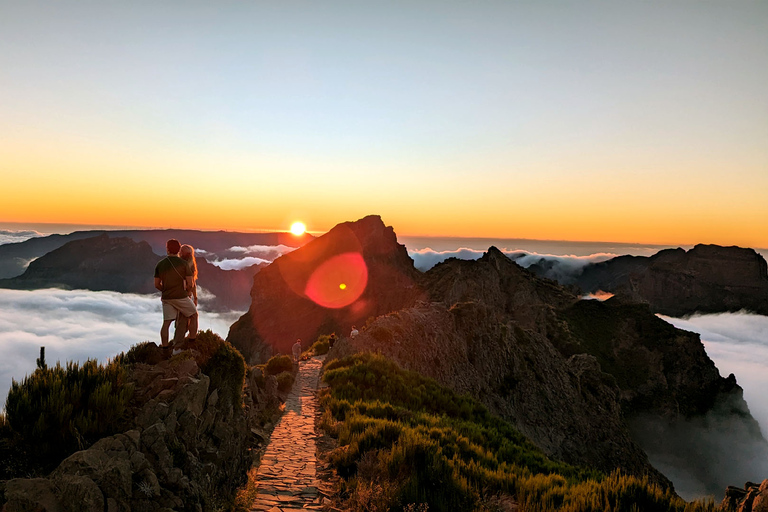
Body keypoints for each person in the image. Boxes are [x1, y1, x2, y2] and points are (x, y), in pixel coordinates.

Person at [154, 239, 196, 348]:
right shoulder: (184, 264)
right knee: (194, 315)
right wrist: (187, 293)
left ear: (167, 249)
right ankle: (192, 340)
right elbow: (190, 284)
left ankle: (164, 347)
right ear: (178, 250)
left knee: (166, 324)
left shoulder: (160, 264)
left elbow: (157, 284)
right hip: (181, 297)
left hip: (167, 297)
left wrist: (165, 289)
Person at [176, 244, 199, 343]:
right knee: (188, 318)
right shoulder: (183, 266)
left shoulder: (187, 266)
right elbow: (191, 284)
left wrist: (195, 297)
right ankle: (181, 344)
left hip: (182, 296)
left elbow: (193, 283)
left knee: (183, 319)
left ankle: (180, 342)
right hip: (182, 296)